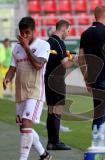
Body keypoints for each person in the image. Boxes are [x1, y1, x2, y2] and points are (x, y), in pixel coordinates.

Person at [3, 16, 52, 160]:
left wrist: (26, 47)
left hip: (35, 91)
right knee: (24, 128)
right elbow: (12, 68)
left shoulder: (43, 45)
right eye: (22, 33)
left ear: (33, 31)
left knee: (25, 123)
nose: (24, 36)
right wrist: (7, 78)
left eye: (27, 32)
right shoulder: (15, 48)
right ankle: (44, 154)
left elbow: (38, 65)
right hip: (20, 91)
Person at [45, 20, 74, 150]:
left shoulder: (48, 41)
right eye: (68, 31)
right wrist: (75, 59)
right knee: (57, 111)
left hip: (48, 78)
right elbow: (65, 64)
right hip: (57, 80)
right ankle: (55, 142)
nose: (68, 34)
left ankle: (51, 142)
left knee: (51, 111)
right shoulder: (59, 42)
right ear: (63, 29)